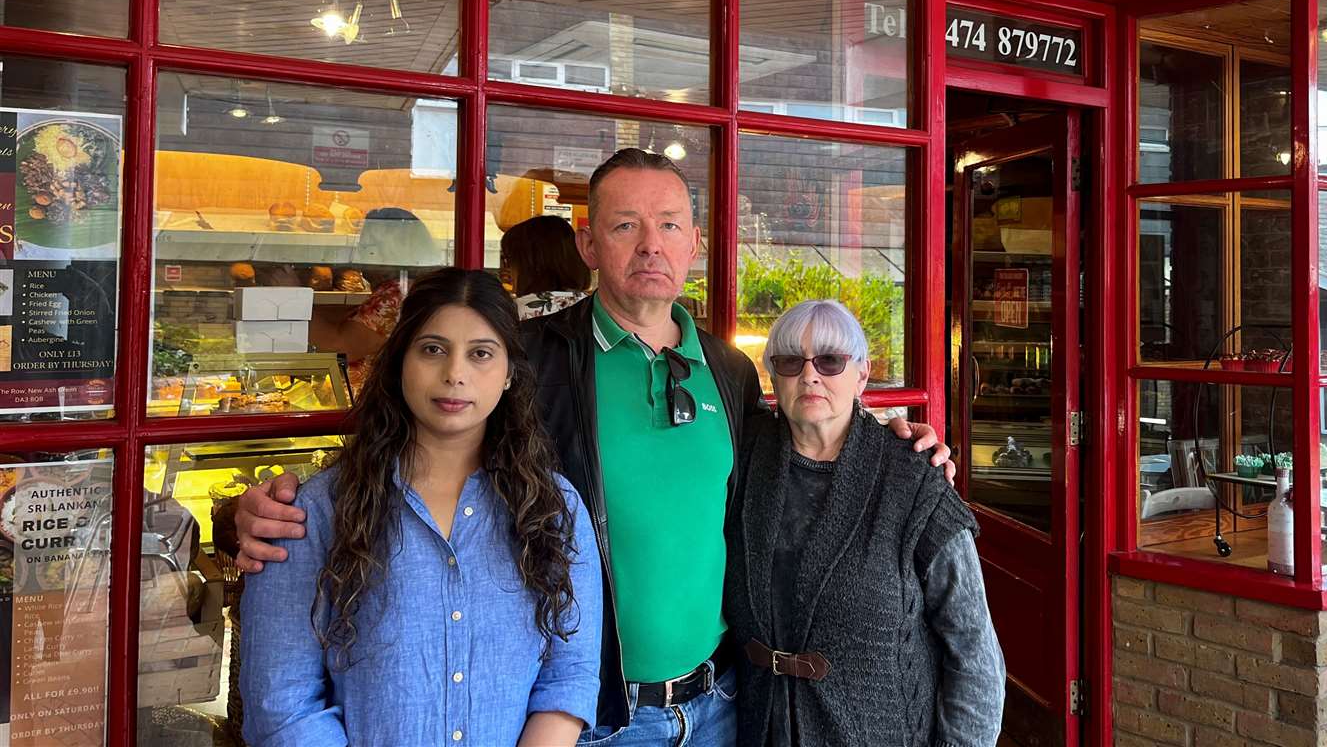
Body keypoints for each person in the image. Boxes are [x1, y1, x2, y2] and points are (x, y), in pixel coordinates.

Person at [228, 148, 952, 747]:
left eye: (670, 225)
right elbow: (424, 447)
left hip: (723, 703)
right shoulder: (532, 359)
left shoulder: (729, 371)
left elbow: (802, 453)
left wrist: (890, 441)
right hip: (593, 716)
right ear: (587, 244)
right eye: (626, 225)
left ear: (695, 242)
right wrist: (263, 507)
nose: (651, 246)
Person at [239, 267, 602, 747]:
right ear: (399, 362)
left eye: (480, 354)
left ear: (510, 372)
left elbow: (568, 675)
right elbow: (281, 704)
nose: (455, 374)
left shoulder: (554, 508)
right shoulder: (318, 511)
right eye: (433, 349)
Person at [728, 299, 1004, 747]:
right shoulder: (740, 460)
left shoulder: (913, 478)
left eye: (831, 360)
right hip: (756, 728)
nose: (810, 375)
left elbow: (973, 651)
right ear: (773, 375)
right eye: (790, 361)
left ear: (862, 374)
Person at [310, 206, 440, 385]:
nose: (361, 254)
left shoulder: (394, 294)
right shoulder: (414, 287)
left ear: (394, 251)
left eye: (369, 246)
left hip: (377, 401)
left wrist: (291, 298)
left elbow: (339, 347)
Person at [501, 213, 591, 320]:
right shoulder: (595, 308)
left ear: (527, 265)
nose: (506, 269)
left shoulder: (512, 314)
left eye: (507, 260)